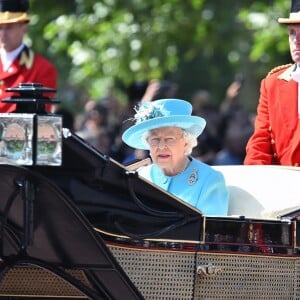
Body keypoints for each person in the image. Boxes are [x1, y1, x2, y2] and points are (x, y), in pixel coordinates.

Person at [122, 98, 229, 216]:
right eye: (155, 139)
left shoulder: (209, 180)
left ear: (186, 142)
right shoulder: (140, 177)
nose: (161, 146)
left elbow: (209, 231)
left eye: (169, 139)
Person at [244, 0, 300, 166]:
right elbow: (260, 143)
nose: (296, 41)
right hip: (285, 186)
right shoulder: (272, 83)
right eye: (292, 33)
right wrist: (256, 180)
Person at [0, 0, 57, 112]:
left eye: (9, 27)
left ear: (24, 28)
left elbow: (40, 119)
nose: (3, 33)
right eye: (0, 27)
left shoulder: (43, 68)